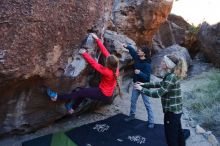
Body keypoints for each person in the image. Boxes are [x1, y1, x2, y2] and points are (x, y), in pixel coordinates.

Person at [47, 33, 121, 114]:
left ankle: (56, 97)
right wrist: (97, 39)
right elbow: (105, 52)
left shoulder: (107, 72)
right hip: (106, 93)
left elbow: (94, 64)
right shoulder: (115, 66)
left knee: (80, 92)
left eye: (106, 61)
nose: (106, 60)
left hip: (102, 94)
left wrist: (84, 53)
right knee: (83, 92)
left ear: (109, 64)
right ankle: (72, 109)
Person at [134, 55, 186, 146]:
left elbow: (158, 93)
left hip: (172, 112)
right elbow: (159, 84)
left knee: (171, 138)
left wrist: (141, 89)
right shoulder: (171, 75)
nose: (161, 63)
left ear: (168, 65)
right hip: (176, 111)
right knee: (178, 133)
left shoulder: (171, 77)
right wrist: (144, 84)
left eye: (163, 62)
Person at [122, 43, 154, 128]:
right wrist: (126, 46)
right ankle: (132, 115)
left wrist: (140, 73)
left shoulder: (147, 64)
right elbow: (132, 50)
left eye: (140, 51)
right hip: (136, 84)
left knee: (147, 104)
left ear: (144, 53)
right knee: (133, 101)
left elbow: (147, 78)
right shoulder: (137, 57)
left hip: (144, 85)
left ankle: (151, 121)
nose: (138, 51)